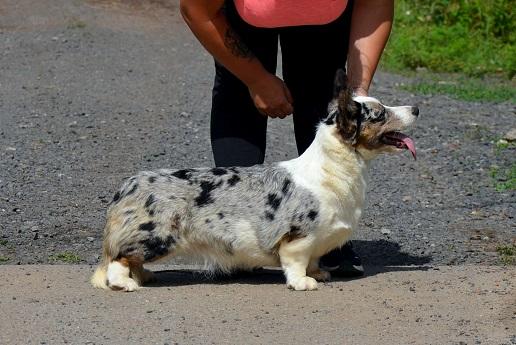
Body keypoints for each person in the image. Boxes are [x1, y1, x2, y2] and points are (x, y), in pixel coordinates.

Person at [179, 0, 394, 276]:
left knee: (322, 91)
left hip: (325, 17)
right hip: (246, 15)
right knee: (238, 92)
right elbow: (195, 11)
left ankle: (323, 238)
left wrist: (357, 91)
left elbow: (374, 6)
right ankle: (235, 238)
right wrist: (256, 80)